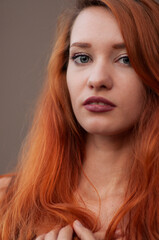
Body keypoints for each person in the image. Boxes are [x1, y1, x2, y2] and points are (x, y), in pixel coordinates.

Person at [0, 0, 159, 239]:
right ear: (63, 72)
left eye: (125, 59)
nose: (97, 79)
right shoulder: (7, 201)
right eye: (82, 58)